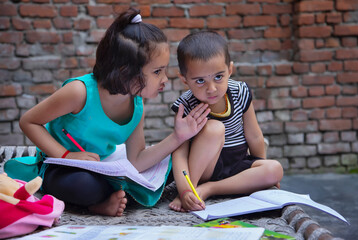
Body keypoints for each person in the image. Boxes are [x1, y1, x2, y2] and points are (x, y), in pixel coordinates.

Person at [19, 8, 210, 217]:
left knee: (173, 165)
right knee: (84, 185)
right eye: (157, 71)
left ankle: (110, 197)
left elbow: (136, 161)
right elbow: (29, 122)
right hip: (63, 167)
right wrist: (67, 155)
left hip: (104, 168)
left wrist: (177, 137)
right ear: (125, 71)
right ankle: (97, 204)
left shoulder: (136, 105)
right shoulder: (79, 92)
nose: (165, 79)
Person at [169, 31, 284, 212]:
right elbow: (179, 153)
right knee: (214, 128)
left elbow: (254, 135)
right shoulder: (187, 104)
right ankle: (193, 188)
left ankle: (209, 189)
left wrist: (260, 167)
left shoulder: (240, 92)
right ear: (184, 79)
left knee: (274, 169)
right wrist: (183, 191)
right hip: (207, 168)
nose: (211, 88)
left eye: (218, 77)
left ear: (230, 70)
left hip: (237, 165)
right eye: (200, 81)